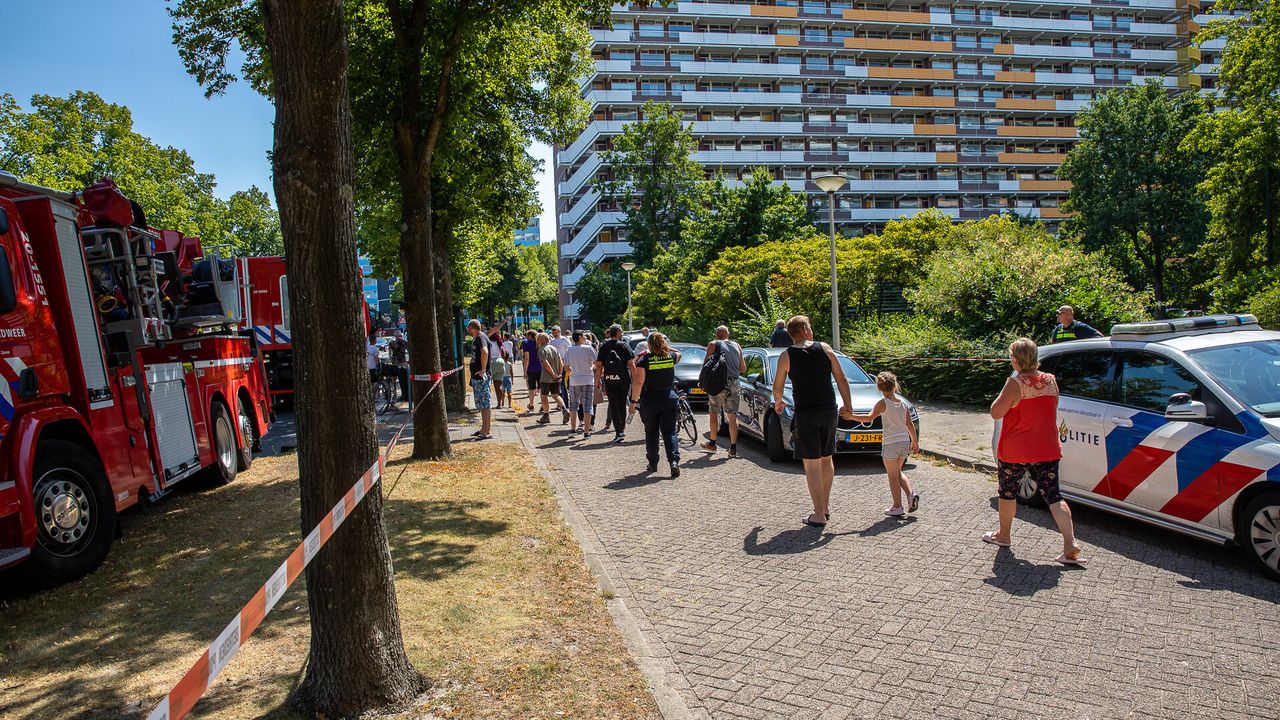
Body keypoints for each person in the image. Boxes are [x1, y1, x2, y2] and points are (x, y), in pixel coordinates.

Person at [986, 337, 1086, 565]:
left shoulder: (1014, 383)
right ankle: (1070, 543)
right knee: (1053, 495)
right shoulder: (1050, 380)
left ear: (1015, 359)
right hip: (1046, 448)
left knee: (1007, 493)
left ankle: (1004, 536)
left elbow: (996, 412)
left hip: (1016, 450)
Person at [773, 315, 855, 528]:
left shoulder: (786, 356)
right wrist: (848, 405)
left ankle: (818, 514)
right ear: (804, 330)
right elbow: (841, 378)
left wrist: (778, 402)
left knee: (811, 465)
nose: (811, 330)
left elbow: (778, 386)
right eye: (809, 327)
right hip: (828, 411)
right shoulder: (825, 348)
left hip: (806, 414)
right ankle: (824, 507)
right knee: (827, 460)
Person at [849, 372, 920, 517]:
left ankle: (897, 506)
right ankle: (911, 494)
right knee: (898, 472)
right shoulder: (903, 404)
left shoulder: (883, 403)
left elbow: (869, 418)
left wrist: (851, 416)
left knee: (892, 476)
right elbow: (909, 424)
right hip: (904, 442)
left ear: (879, 387)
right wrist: (915, 442)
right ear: (895, 386)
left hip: (890, 443)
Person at [629, 333, 682, 476]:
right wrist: (666, 348)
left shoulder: (644, 360)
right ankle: (674, 461)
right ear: (664, 343)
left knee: (651, 432)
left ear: (649, 345)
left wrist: (633, 402)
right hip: (669, 397)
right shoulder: (670, 357)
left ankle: (653, 463)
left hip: (650, 399)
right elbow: (679, 353)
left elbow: (639, 382)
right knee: (670, 432)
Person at [701, 325, 746, 457]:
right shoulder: (737, 346)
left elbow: (705, 366)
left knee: (714, 413)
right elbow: (743, 369)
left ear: (716, 334)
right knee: (732, 416)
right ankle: (733, 449)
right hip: (735, 383)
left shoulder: (713, 344)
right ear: (728, 334)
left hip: (718, 384)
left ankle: (712, 444)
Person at [595, 324, 635, 442]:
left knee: (613, 405)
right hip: (623, 379)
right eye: (621, 331)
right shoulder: (624, 345)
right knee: (622, 404)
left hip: (609, 379)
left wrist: (597, 381)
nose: (622, 333)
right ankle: (621, 429)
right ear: (617, 333)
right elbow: (631, 364)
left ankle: (618, 431)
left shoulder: (604, 346)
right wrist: (635, 379)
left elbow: (599, 365)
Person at [564, 330, 600, 438]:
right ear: (580, 337)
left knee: (573, 405)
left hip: (574, 380)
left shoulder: (569, 350)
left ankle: (573, 429)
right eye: (584, 336)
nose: (585, 338)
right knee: (587, 405)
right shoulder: (589, 348)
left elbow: (566, 367)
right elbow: (597, 362)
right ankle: (586, 432)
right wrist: (591, 367)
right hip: (588, 379)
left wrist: (574, 369)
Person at [465, 319, 493, 440]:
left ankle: (487, 431)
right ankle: (484, 428)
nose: (467, 329)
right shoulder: (479, 337)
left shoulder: (481, 338)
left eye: (468, 327)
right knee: (482, 403)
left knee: (485, 403)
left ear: (472, 328)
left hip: (481, 377)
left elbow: (484, 352)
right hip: (478, 377)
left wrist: (482, 369)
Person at [536, 332, 569, 425]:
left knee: (544, 396)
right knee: (555, 395)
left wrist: (553, 374)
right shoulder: (554, 349)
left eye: (539, 338)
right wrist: (559, 374)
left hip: (546, 377)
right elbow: (561, 362)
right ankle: (564, 409)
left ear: (542, 340)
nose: (537, 340)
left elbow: (545, 363)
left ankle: (546, 415)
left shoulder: (542, 350)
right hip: (556, 376)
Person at [522, 330, 542, 413]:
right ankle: (543, 405)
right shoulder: (539, 343)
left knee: (531, 388)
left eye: (527, 335)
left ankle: (531, 405)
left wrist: (525, 371)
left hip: (531, 369)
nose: (526, 337)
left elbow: (527, 358)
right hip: (541, 368)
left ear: (530, 335)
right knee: (541, 388)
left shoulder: (527, 344)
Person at [389, 331, 410, 401]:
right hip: (403, 363)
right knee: (403, 380)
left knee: (394, 379)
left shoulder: (391, 343)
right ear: (401, 336)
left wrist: (392, 359)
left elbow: (390, 354)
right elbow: (408, 351)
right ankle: (403, 394)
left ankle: (395, 394)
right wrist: (408, 361)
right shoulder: (404, 342)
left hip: (395, 363)